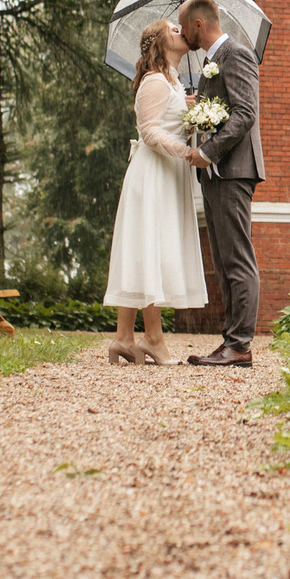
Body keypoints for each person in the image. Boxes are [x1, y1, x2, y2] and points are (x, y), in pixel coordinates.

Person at [100, 19, 206, 364]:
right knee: (150, 251)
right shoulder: (155, 81)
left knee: (145, 249)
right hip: (152, 174)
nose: (182, 31)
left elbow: (169, 123)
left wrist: (193, 117)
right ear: (160, 43)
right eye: (174, 30)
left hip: (167, 174)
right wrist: (186, 151)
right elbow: (149, 133)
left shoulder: (173, 83)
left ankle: (123, 338)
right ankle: (154, 338)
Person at [176, 0, 263, 366]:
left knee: (237, 258)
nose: (182, 35)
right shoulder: (212, 62)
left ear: (198, 25)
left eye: (184, 27)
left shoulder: (237, 54)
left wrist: (207, 152)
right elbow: (224, 110)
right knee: (224, 260)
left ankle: (240, 343)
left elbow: (245, 115)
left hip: (232, 170)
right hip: (212, 175)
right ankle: (230, 340)